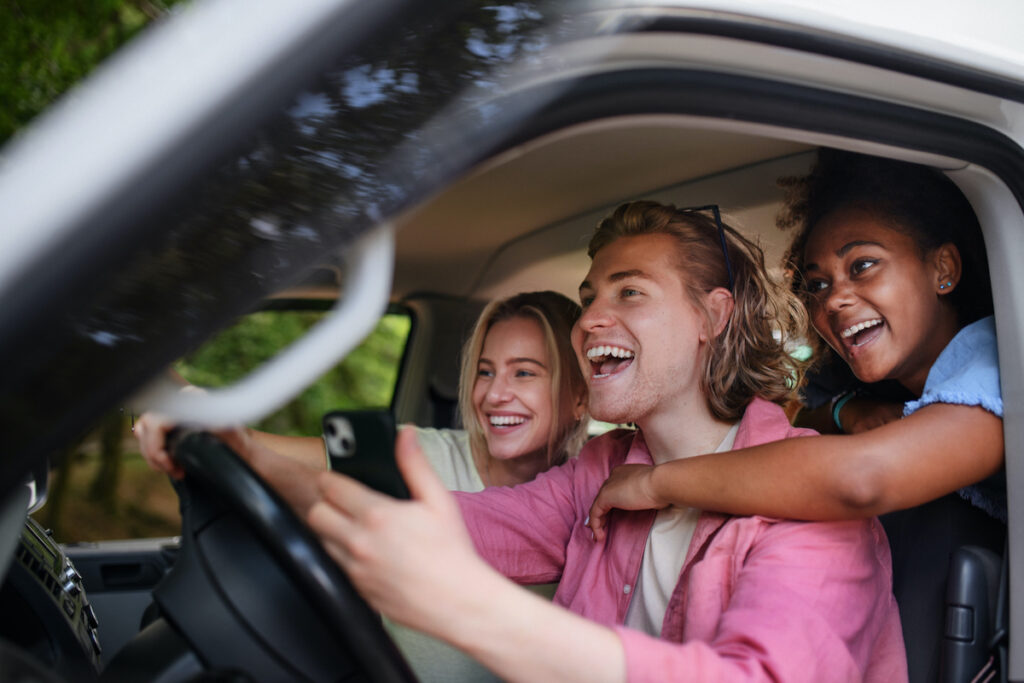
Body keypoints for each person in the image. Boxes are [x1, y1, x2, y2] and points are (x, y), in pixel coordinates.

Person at [307, 200, 907, 682]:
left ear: (712, 317)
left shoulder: (815, 505)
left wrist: (475, 611)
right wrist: (249, 457)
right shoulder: (602, 469)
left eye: (630, 292)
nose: (590, 318)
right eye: (589, 297)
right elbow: (475, 526)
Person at [586, 151, 1005, 680]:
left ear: (943, 269)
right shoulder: (874, 386)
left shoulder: (994, 361)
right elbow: (807, 412)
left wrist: (654, 484)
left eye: (863, 266)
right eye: (818, 284)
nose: (835, 299)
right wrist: (848, 411)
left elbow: (861, 477)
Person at [136, 289, 588, 682]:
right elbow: (254, 450)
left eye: (524, 373)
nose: (493, 395)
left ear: (580, 396)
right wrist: (187, 405)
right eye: (486, 371)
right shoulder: (411, 454)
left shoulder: (594, 504)